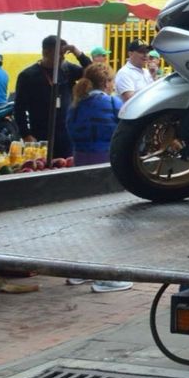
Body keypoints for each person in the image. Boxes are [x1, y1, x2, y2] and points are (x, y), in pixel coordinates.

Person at [64, 62, 134, 293]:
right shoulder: (113, 103)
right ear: (105, 82)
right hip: (107, 166)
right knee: (110, 221)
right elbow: (127, 132)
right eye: (111, 81)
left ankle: (79, 271)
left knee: (85, 220)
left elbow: (70, 132)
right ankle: (106, 277)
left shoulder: (75, 105)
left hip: (79, 166)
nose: (113, 86)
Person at [13, 35, 91, 159]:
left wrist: (78, 53)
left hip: (67, 135)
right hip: (40, 135)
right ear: (46, 52)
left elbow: (92, 72)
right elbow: (19, 108)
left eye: (64, 54)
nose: (62, 57)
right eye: (59, 54)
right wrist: (26, 134)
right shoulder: (28, 75)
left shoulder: (67, 69)